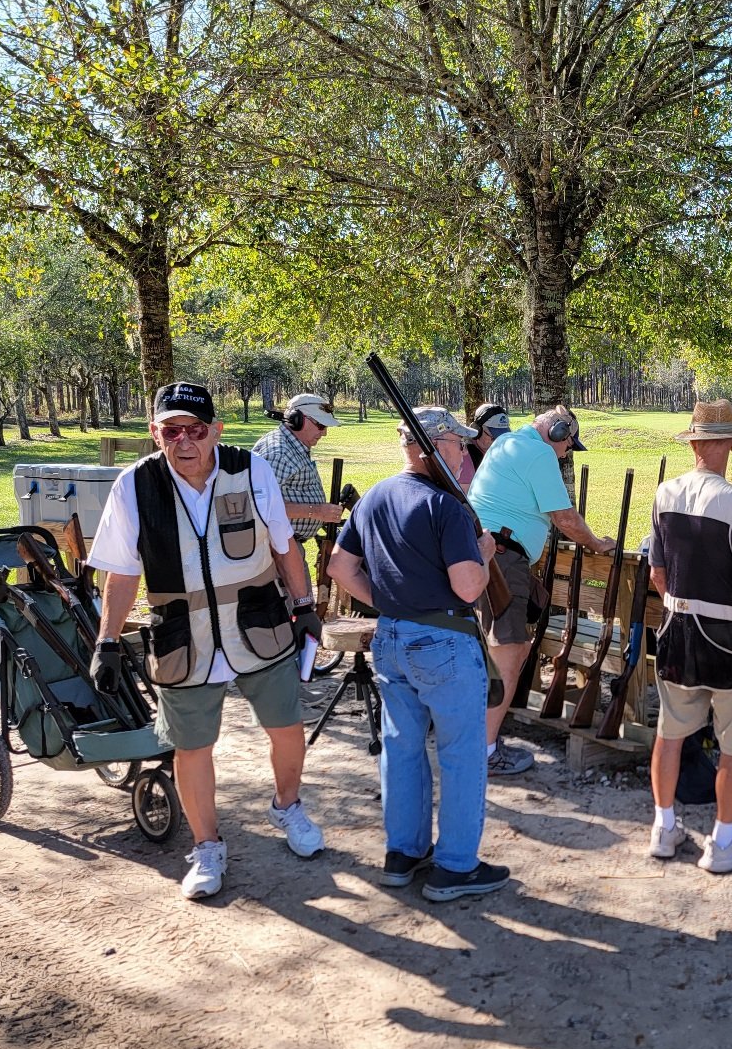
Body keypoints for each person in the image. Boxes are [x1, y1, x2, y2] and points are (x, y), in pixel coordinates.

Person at [86, 381, 325, 901]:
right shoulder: (134, 487)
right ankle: (207, 847)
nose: (185, 441)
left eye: (196, 429)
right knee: (192, 749)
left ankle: (288, 808)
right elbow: (122, 575)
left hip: (260, 625)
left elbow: (285, 547)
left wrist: (304, 608)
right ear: (156, 434)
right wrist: (106, 641)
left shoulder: (250, 469)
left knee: (287, 729)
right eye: (172, 431)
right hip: (181, 639)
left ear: (215, 430)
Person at [327, 407, 510, 901]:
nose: (463, 456)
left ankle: (403, 854)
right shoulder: (445, 507)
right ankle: (455, 867)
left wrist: (389, 601)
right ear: (439, 447)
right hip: (445, 644)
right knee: (461, 755)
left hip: (390, 638)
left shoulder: (374, 497)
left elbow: (340, 568)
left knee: (402, 750)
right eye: (457, 446)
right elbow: (468, 588)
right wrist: (485, 554)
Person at [647, 399, 732, 873]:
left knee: (670, 733)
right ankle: (723, 842)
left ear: (695, 443)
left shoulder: (665, 494)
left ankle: (664, 828)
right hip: (727, 633)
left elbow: (658, 573)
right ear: (726, 443)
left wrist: (678, 607)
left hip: (678, 627)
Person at [467, 405, 615, 774]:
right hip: (503, 560)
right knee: (510, 650)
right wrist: (598, 543)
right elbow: (564, 518)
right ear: (558, 433)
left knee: (492, 649)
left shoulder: (508, 444)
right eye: (567, 444)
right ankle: (484, 751)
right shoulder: (537, 453)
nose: (566, 452)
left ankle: (476, 739)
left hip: (489, 554)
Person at [252, 392, 345, 587]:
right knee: (294, 612)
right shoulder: (279, 452)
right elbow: (259, 505)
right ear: (297, 420)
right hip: (278, 550)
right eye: (320, 425)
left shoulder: (293, 446)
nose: (324, 432)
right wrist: (317, 512)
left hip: (286, 546)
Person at [456, 403, 513, 489]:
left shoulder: (500, 454)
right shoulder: (466, 457)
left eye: (503, 436)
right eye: (493, 437)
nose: (499, 441)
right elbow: (465, 497)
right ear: (477, 431)